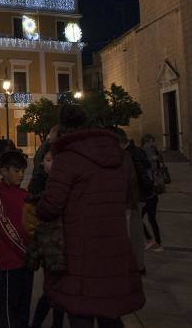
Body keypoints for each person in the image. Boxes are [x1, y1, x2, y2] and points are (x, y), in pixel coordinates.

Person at [36, 105, 144, 328]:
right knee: (110, 311)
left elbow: (50, 206)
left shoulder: (67, 158)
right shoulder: (117, 156)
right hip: (113, 246)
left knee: (81, 311)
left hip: (80, 249)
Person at [24, 148, 65, 328]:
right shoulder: (41, 181)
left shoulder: (62, 183)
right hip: (50, 246)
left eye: (50, 159)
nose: (45, 163)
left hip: (59, 246)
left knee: (58, 293)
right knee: (51, 292)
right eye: (45, 160)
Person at [0, 151, 32, 328]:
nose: (21, 175)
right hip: (11, 261)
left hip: (27, 262)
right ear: (3, 171)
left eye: (23, 171)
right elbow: (7, 229)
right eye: (16, 170)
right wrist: (26, 252)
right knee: (9, 307)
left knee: (24, 305)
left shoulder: (24, 194)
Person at [113, 128, 153, 273]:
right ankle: (138, 265)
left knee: (134, 233)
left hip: (135, 199)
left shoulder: (128, 154)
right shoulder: (134, 151)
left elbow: (136, 178)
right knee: (136, 232)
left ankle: (137, 266)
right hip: (138, 197)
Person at [141, 134, 163, 252]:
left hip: (149, 191)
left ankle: (154, 241)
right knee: (150, 218)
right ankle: (155, 242)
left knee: (146, 218)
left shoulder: (148, 152)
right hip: (151, 190)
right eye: (151, 142)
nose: (153, 144)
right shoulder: (147, 152)